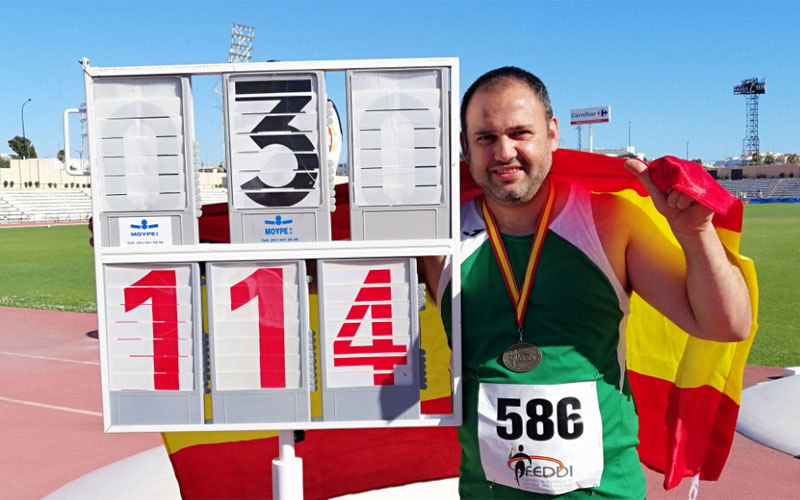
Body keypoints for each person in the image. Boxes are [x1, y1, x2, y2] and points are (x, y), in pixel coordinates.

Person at [424, 67, 751, 499]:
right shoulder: (433, 241)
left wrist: (696, 234)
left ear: (552, 134)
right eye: (485, 138)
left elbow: (726, 325)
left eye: (521, 133)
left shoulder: (609, 223)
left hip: (605, 492)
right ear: (464, 147)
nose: (504, 151)